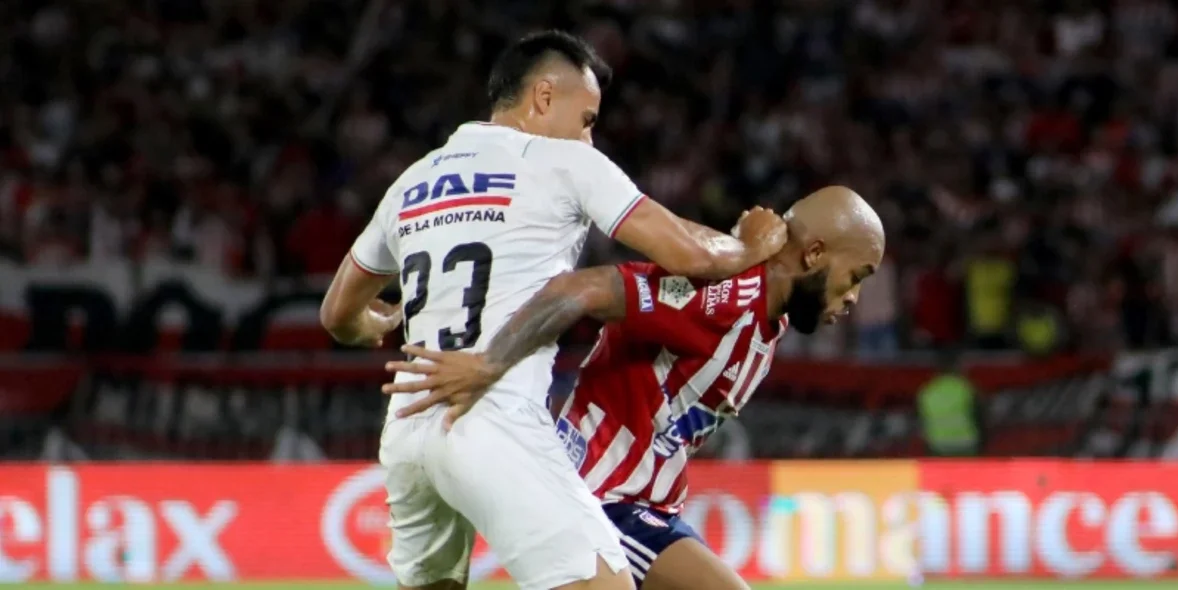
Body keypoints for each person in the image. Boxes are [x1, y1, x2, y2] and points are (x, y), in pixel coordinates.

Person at [318, 31, 787, 590]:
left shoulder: (413, 180)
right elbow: (685, 253)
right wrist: (746, 246)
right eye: (587, 119)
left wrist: (378, 321)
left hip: (407, 426)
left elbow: (337, 314)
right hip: (488, 414)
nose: (589, 138)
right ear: (543, 97)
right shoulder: (564, 162)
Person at [384, 186, 885, 589]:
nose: (855, 297)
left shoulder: (763, 316)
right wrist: (487, 365)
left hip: (649, 509)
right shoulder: (728, 300)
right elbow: (577, 290)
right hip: (607, 501)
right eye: (855, 276)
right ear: (815, 253)